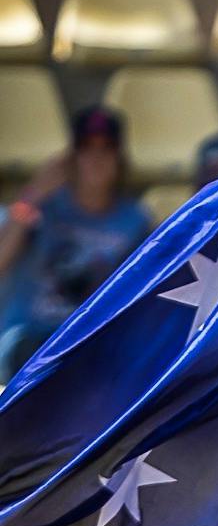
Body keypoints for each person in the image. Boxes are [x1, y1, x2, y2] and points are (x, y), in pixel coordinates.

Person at [0, 105, 151, 383]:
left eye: (106, 149)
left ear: (120, 158)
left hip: (88, 341)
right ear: (72, 157)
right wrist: (32, 196)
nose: (96, 158)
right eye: (86, 148)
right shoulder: (42, 206)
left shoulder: (134, 220)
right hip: (29, 338)